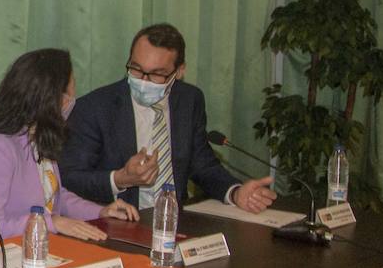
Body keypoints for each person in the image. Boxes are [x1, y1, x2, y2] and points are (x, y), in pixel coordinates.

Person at [59, 23, 277, 212]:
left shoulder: (189, 100)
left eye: (156, 73)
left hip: (175, 221)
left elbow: (202, 165)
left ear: (179, 71)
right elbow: (70, 177)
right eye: (135, 68)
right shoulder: (96, 107)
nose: (143, 80)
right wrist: (120, 178)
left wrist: (235, 192)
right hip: (119, 222)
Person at [0, 49, 138, 245]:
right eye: (67, 95)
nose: (70, 102)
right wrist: (51, 223)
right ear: (49, 99)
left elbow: (56, 198)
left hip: (35, 252)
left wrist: (100, 211)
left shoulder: (38, 139)